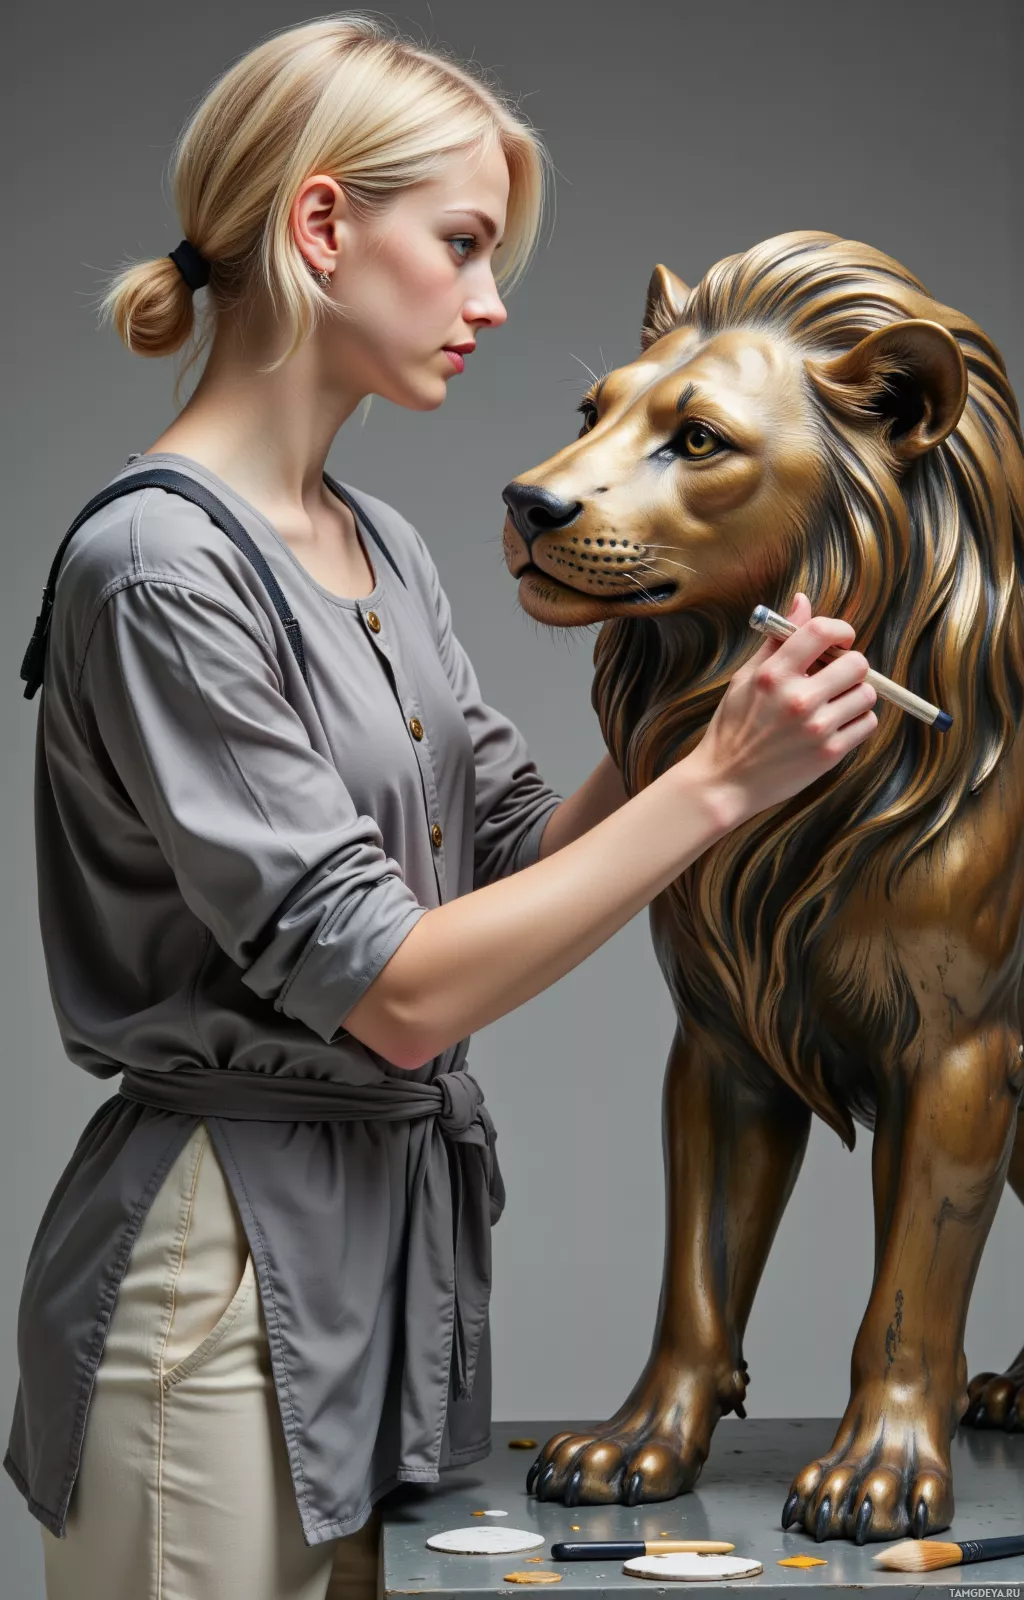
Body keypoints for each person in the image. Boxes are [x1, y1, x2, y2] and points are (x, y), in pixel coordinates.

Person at [4, 15, 879, 1600]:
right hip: (221, 1276)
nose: (490, 302)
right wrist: (721, 781)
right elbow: (402, 994)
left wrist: (700, 686)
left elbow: (517, 857)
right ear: (323, 225)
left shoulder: (379, 544)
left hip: (388, 1260)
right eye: (465, 245)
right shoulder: (158, 571)